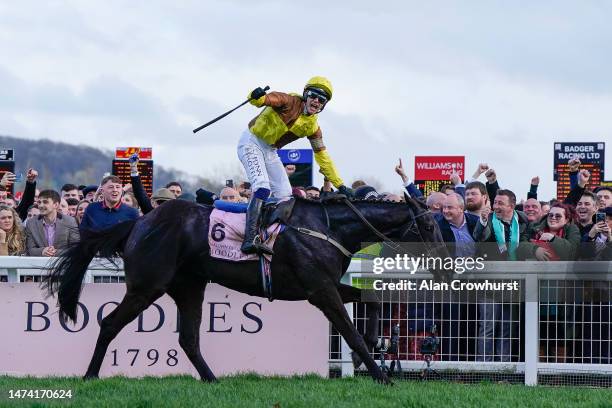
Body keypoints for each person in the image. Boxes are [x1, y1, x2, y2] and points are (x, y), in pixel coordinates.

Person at [237, 77, 352, 254]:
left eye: (322, 100)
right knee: (262, 187)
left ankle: (268, 234)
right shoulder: (288, 101)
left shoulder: (313, 127)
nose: (316, 101)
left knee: (285, 195)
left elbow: (322, 156)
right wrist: (256, 95)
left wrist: (341, 185)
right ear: (306, 95)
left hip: (270, 151)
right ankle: (249, 237)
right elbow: (261, 100)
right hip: (251, 142)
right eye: (314, 96)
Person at [25, 190, 80, 257]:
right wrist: (42, 251)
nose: (41, 205)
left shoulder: (70, 222)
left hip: (62, 264)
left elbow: (75, 248)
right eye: (39, 202)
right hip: (38, 265)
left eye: (45, 202)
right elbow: (30, 249)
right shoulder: (31, 223)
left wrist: (55, 252)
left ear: (56, 205)